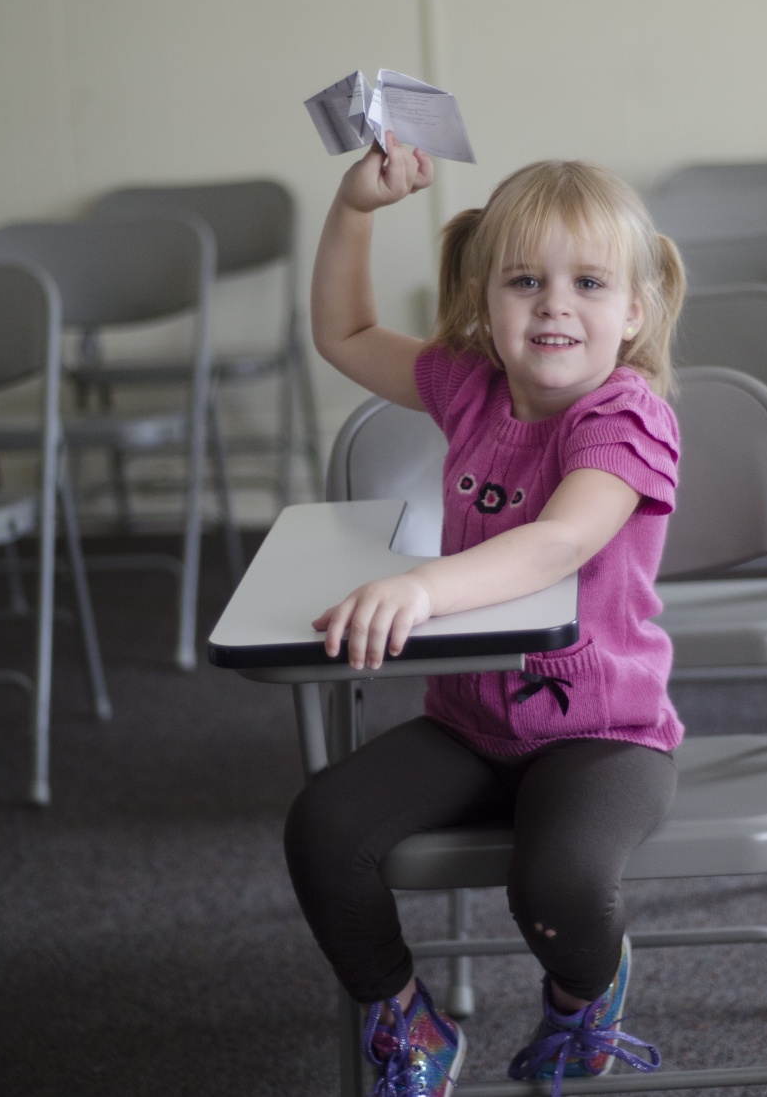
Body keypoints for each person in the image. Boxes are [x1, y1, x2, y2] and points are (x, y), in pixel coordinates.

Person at [284, 135, 686, 1097]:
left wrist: (422, 587)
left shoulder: (628, 416)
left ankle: (586, 996)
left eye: (589, 282)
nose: (554, 303)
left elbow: (557, 541)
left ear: (633, 311)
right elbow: (343, 333)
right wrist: (354, 210)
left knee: (557, 886)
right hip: (470, 723)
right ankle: (407, 1019)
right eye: (524, 281)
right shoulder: (471, 386)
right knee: (324, 827)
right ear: (484, 303)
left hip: (605, 732)